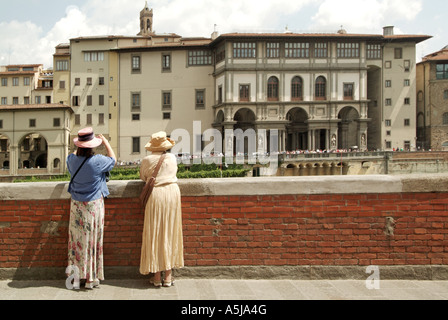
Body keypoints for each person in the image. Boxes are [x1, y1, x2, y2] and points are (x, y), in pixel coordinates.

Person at [66, 127, 117, 289]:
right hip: (93, 206)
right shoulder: (98, 161)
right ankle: (90, 279)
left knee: (76, 243)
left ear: (79, 145)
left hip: (76, 206)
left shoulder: (71, 160)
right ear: (92, 145)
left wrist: (79, 145)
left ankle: (75, 279)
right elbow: (113, 160)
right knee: (92, 241)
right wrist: (107, 143)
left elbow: (74, 155)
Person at [139, 131, 184, 287]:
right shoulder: (172, 158)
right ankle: (168, 277)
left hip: (156, 195)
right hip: (172, 193)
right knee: (170, 232)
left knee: (155, 233)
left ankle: (157, 276)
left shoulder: (147, 160)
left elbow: (143, 177)